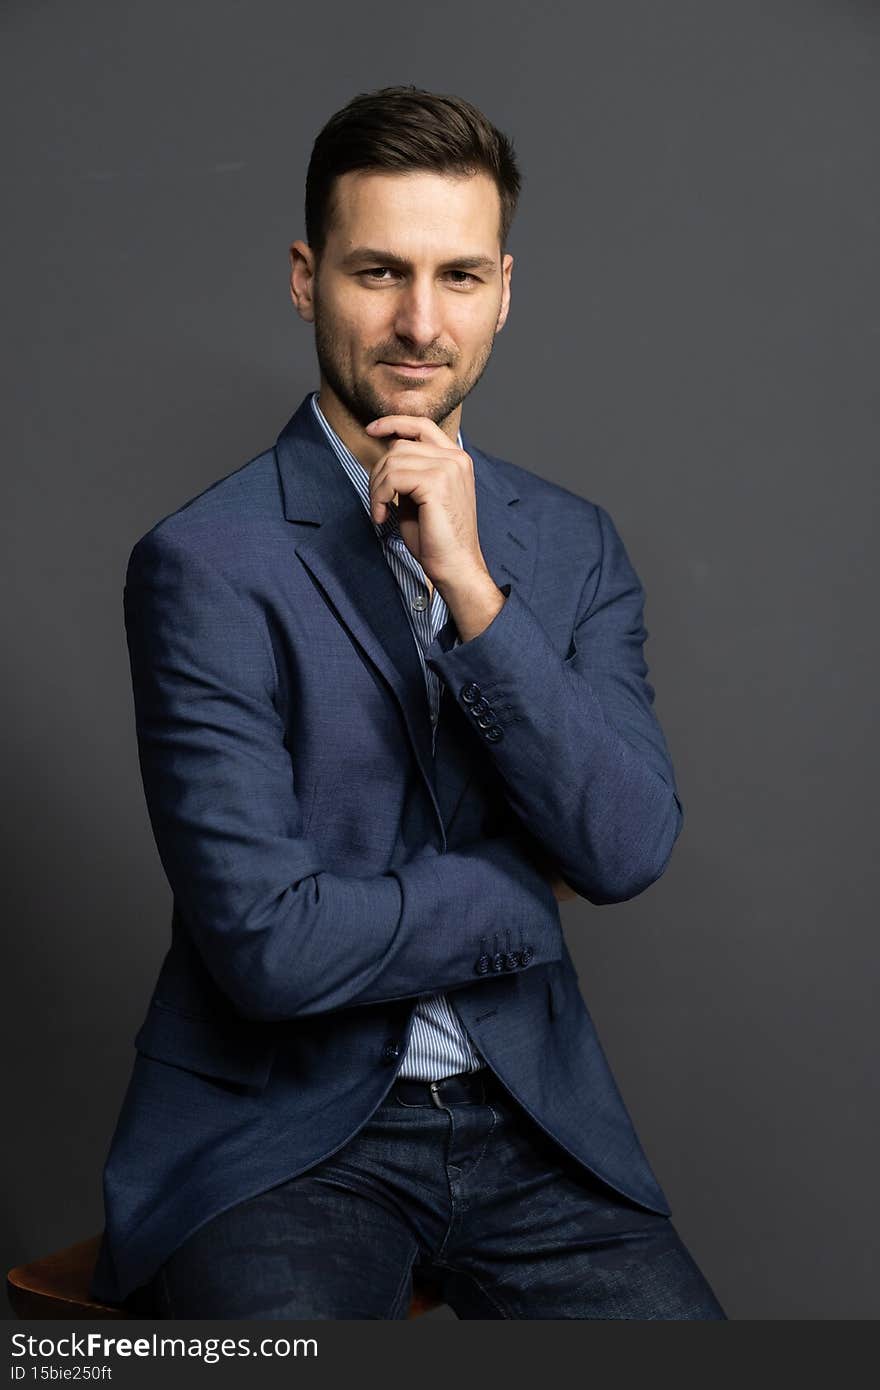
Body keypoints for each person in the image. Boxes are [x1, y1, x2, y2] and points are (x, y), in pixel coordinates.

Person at [91, 84, 726, 1320]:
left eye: (460, 276)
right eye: (379, 271)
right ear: (304, 277)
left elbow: (627, 844)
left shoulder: (571, 544)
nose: (420, 322)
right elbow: (269, 948)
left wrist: (472, 590)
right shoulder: (204, 562)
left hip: (531, 1123)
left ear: (504, 290)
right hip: (280, 1146)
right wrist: (513, 899)